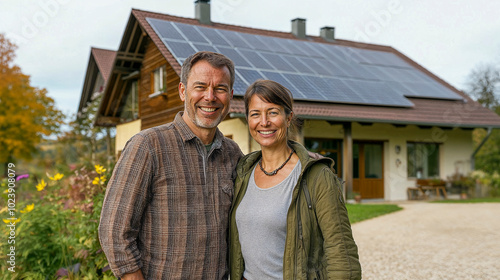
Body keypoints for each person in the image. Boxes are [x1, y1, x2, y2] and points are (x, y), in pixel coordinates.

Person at [99, 51, 243, 280]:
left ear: (231, 95)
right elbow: (114, 232)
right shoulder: (147, 146)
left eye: (220, 89)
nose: (210, 96)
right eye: (200, 86)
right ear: (183, 91)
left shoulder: (233, 153)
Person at [229, 80, 361, 280]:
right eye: (255, 114)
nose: (264, 122)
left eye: (273, 112)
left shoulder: (316, 176)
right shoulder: (242, 172)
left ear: (289, 118)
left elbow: (340, 250)